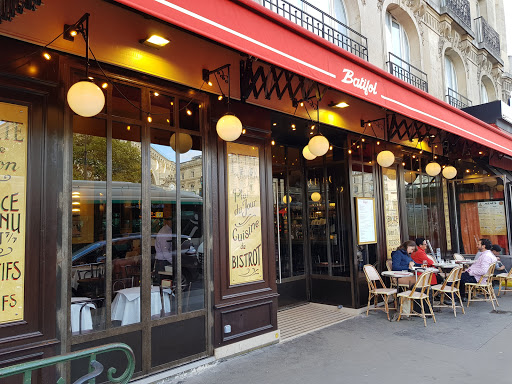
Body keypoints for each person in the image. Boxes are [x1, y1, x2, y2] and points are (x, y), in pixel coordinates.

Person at [154, 217, 173, 284]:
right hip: (162, 262)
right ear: (168, 221)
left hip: (164, 261)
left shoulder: (169, 231)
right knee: (163, 284)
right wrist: (173, 261)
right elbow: (165, 252)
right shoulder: (164, 233)